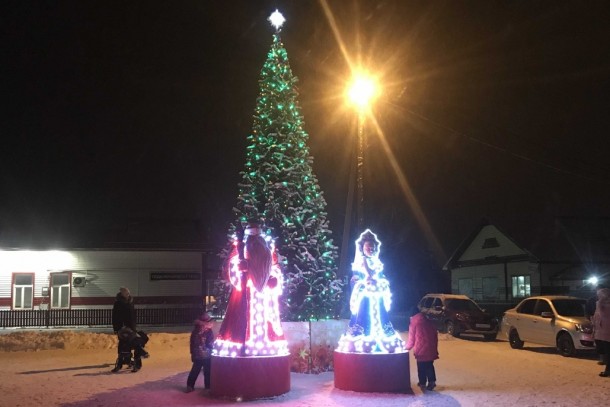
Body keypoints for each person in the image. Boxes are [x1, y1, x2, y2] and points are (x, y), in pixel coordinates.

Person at [214, 222, 288, 357]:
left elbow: (276, 269)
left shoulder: (269, 251)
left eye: (257, 237)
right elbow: (230, 270)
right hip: (245, 297)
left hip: (265, 298)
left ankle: (264, 344)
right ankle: (243, 345)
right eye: (252, 237)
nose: (255, 241)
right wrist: (240, 269)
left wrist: (274, 279)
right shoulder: (239, 251)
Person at [337, 229, 405, 353]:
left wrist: (381, 283)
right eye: (368, 247)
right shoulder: (359, 265)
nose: (370, 249)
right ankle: (361, 335)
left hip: (377, 296)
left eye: (372, 247)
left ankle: (385, 336)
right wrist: (362, 283)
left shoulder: (378, 264)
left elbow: (383, 277)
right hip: (365, 297)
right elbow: (354, 280)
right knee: (363, 316)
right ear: (362, 248)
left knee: (382, 316)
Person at [405, 307, 439, 391]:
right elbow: (435, 334)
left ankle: (422, 383)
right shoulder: (427, 320)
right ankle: (432, 382)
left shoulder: (414, 322)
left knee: (421, 367)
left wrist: (406, 348)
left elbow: (412, 339)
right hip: (431, 348)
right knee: (429, 366)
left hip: (420, 349)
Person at [186, 312, 215, 392]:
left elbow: (192, 343)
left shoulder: (196, 330)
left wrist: (192, 353)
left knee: (195, 370)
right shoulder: (208, 331)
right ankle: (208, 386)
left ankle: (190, 385)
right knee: (207, 371)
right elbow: (210, 343)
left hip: (197, 354)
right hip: (207, 354)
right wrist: (214, 347)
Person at [593, 287, 610, 377]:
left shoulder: (604, 305)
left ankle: (607, 371)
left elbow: (602, 315)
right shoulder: (600, 304)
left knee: (608, 353)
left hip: (606, 332)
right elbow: (596, 318)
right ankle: (607, 370)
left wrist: (601, 301)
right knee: (606, 352)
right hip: (603, 333)